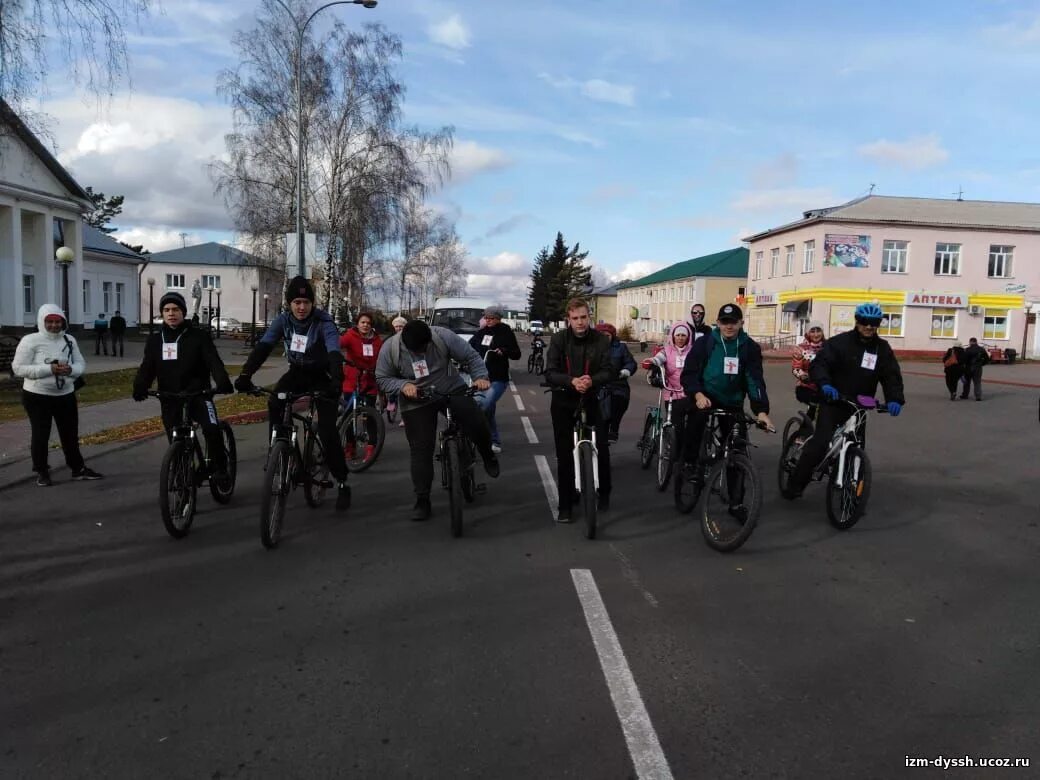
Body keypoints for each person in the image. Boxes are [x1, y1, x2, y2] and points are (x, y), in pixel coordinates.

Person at [234, 276, 351, 511]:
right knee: (275, 402)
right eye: (296, 302)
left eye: (306, 302)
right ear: (289, 303)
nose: (301, 307)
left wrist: (336, 382)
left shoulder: (323, 321)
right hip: (297, 372)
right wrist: (246, 375)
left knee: (328, 432)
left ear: (312, 304)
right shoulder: (283, 320)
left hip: (323, 375)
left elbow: (334, 352)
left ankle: (342, 482)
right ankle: (279, 448)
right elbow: (263, 347)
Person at [375, 320, 499, 521]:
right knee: (421, 448)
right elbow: (382, 378)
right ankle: (422, 500)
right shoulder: (391, 349)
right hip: (416, 398)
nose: (422, 353)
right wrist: (403, 385)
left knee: (476, 419)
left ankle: (487, 455)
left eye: (425, 348)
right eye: (418, 350)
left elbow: (471, 357)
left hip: (450, 388)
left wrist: (480, 377)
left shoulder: (442, 336)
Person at [782, 302, 905, 500]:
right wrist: (825, 384)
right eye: (865, 322)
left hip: (859, 406)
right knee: (820, 443)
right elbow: (819, 364)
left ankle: (850, 491)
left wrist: (895, 398)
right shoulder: (840, 343)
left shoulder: (882, 349)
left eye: (873, 323)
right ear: (857, 322)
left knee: (856, 447)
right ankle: (795, 484)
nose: (869, 326)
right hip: (833, 401)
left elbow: (891, 375)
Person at [679, 305, 773, 514]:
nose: (729, 326)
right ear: (718, 323)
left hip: (733, 401)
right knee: (696, 417)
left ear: (741, 323)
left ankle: (736, 502)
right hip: (706, 396)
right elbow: (690, 373)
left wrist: (761, 411)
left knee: (737, 449)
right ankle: (690, 464)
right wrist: (698, 394)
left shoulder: (749, 347)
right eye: (724, 322)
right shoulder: (706, 343)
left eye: (733, 322)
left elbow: (754, 380)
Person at [132, 292, 234, 484]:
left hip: (198, 394)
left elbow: (213, 362)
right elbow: (147, 367)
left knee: (211, 428)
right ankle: (182, 475)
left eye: (176, 309)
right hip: (170, 397)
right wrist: (140, 387)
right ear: (162, 313)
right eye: (167, 310)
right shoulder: (155, 340)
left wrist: (222, 382)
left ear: (183, 312)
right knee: (176, 438)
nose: (171, 313)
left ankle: (219, 467)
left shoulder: (198, 336)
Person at [12, 304, 103, 485]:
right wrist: (48, 369)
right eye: (49, 322)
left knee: (70, 434)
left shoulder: (69, 339)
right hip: (37, 396)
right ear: (41, 321)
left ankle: (77, 468)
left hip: (65, 394)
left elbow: (80, 364)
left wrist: (70, 370)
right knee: (40, 434)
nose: (54, 325)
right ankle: (42, 471)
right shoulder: (30, 340)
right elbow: (18, 368)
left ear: (63, 322)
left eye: (57, 321)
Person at [544, 298, 614, 522]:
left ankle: (604, 493)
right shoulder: (558, 339)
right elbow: (550, 372)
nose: (580, 322)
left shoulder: (601, 340)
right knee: (564, 453)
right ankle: (565, 505)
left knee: (601, 446)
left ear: (589, 317)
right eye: (575, 318)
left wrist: (591, 381)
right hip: (564, 398)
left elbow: (609, 370)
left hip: (591, 397)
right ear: (569, 319)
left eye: (583, 317)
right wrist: (571, 381)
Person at [469, 306, 521, 453]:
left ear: (499, 318)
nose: (488, 321)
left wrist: (504, 351)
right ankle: (493, 441)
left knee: (485, 405)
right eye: (486, 318)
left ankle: (487, 438)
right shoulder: (481, 333)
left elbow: (516, 354)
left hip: (498, 378)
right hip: (480, 377)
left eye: (491, 318)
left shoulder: (505, 332)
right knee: (487, 410)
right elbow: (468, 347)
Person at [339, 311, 383, 461]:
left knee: (369, 415)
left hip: (369, 381)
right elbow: (339, 344)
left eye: (368, 323)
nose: (365, 325)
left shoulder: (377, 341)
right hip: (351, 381)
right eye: (363, 322)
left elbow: (382, 357)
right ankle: (350, 446)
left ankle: (371, 447)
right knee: (348, 415)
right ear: (357, 324)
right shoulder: (350, 336)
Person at [645, 322, 693, 457]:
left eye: (683, 335)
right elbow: (658, 359)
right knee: (675, 423)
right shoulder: (666, 351)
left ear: (688, 337)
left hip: (688, 392)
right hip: (671, 392)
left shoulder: (693, 351)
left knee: (690, 423)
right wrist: (652, 361)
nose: (680, 338)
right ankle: (674, 450)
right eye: (678, 335)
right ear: (673, 336)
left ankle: (686, 451)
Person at [595, 322, 637, 443]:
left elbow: (631, 363)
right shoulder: (591, 347)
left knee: (619, 400)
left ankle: (614, 428)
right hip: (597, 384)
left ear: (612, 336)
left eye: (607, 335)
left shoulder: (621, 347)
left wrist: (626, 371)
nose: (604, 338)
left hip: (617, 384)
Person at [792, 321, 826, 406]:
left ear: (822, 332)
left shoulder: (828, 346)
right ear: (808, 333)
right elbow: (796, 368)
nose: (816, 334)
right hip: (807, 386)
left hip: (825, 385)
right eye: (812, 331)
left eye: (818, 331)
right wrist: (803, 376)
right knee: (814, 409)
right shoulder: (801, 348)